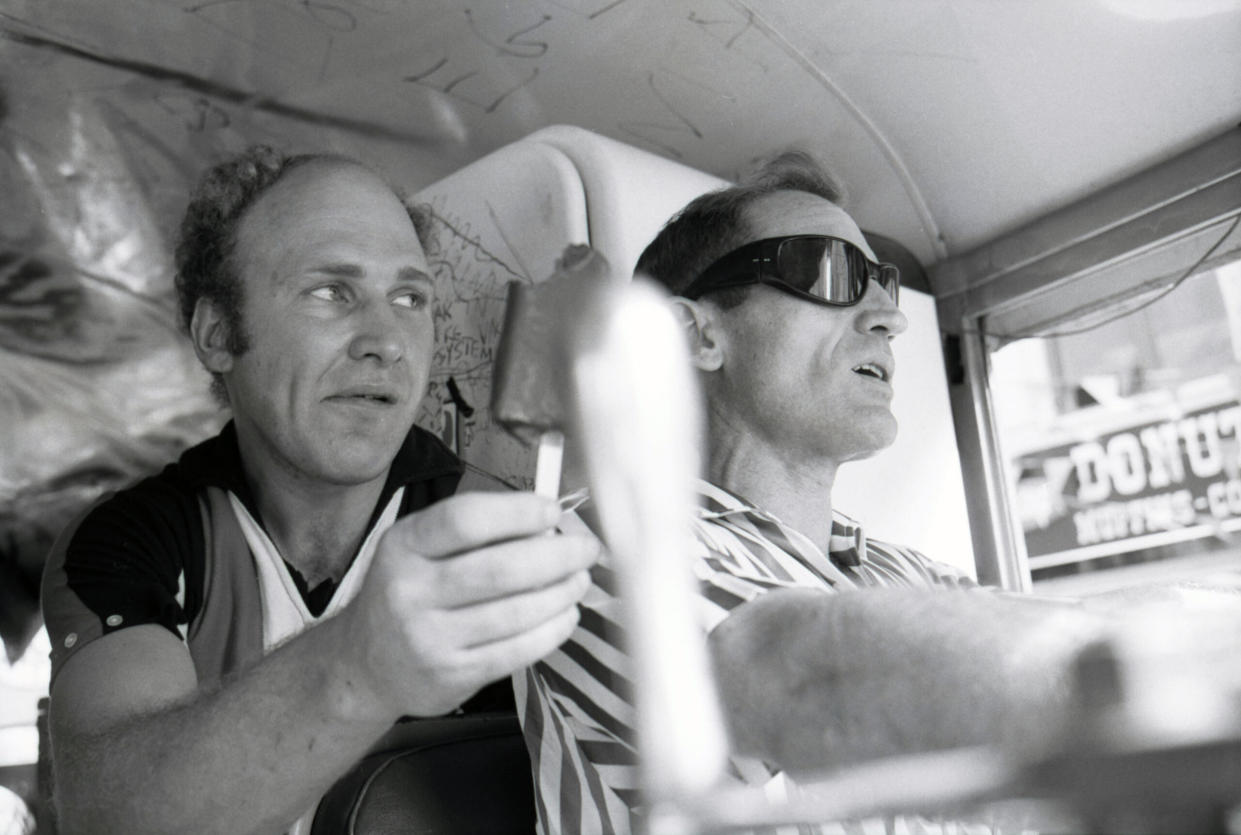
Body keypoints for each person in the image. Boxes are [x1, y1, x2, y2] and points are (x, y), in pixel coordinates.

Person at [514, 152, 1134, 834]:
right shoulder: (587, 545)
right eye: (834, 274)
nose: (888, 320)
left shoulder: (908, 572)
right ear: (695, 335)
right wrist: (1158, 671)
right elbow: (786, 674)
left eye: (885, 285)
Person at [40, 145, 599, 835]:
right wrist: (362, 660)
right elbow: (107, 816)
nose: (387, 341)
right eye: (332, 291)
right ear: (218, 333)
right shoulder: (135, 538)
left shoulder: (502, 530)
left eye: (409, 297)